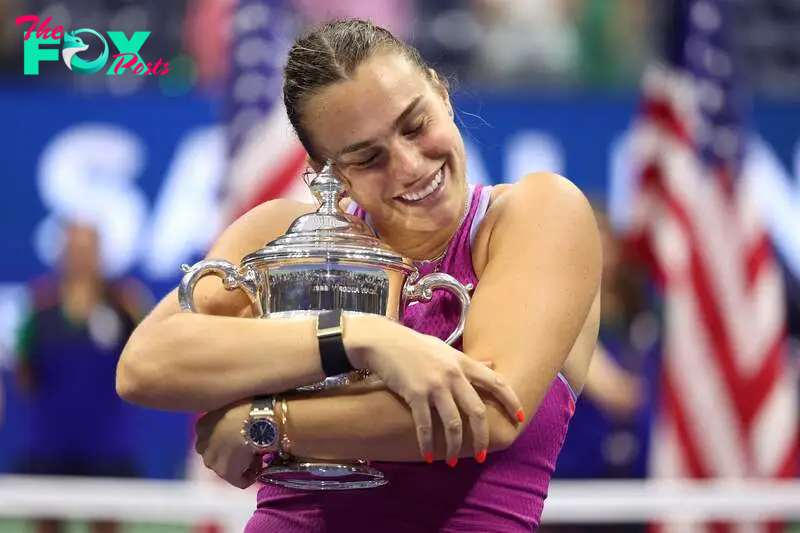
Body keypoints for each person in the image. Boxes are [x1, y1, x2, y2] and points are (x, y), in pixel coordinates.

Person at [117, 18, 602, 532]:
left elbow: (487, 412)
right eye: (368, 158)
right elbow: (142, 367)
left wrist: (266, 424)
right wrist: (355, 337)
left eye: (415, 125)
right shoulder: (283, 234)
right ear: (329, 171)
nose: (410, 166)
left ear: (441, 92)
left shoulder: (539, 211)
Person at [13, 221, 151, 533]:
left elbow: (147, 358)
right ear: (62, 252)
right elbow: (24, 373)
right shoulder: (39, 305)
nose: (82, 257)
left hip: (107, 448)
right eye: (75, 248)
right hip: (49, 447)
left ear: (101, 254)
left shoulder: (126, 303)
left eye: (89, 248)